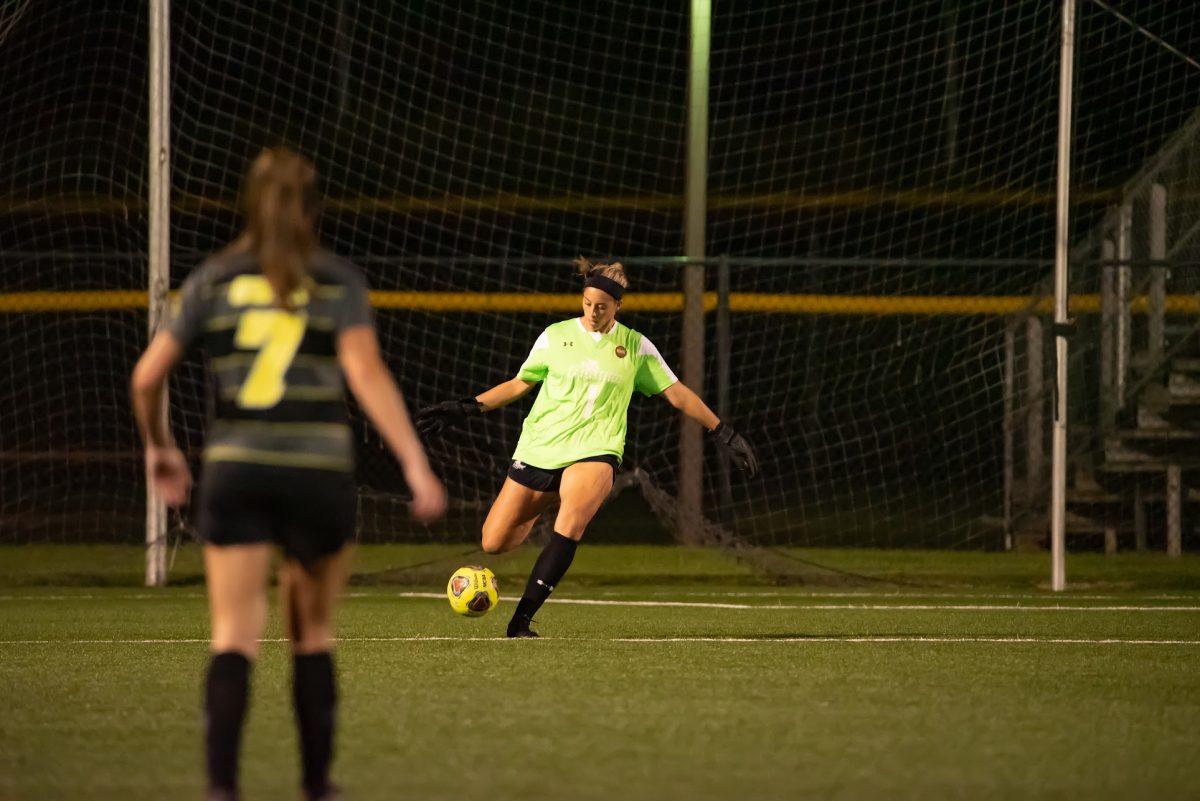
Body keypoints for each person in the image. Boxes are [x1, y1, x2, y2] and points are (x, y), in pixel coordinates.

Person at [130, 148, 446, 801]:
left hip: (235, 467)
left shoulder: (213, 280)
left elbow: (146, 376)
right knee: (313, 635)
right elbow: (365, 375)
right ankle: (316, 785)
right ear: (313, 207)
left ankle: (222, 787)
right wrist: (416, 463)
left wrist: (159, 446)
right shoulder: (337, 280)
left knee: (234, 635)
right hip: (317, 472)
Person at [416, 257, 756, 638]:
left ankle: (521, 621)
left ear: (618, 307)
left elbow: (676, 393)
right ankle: (552, 497)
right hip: (541, 447)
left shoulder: (635, 346)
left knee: (570, 525)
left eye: (603, 306)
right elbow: (518, 384)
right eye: (588, 303)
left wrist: (722, 431)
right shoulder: (554, 335)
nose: (593, 312)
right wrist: (465, 407)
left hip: (596, 451)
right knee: (494, 542)